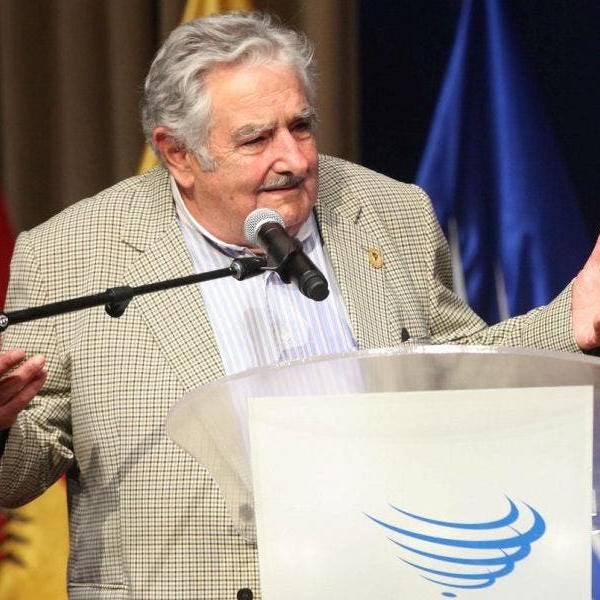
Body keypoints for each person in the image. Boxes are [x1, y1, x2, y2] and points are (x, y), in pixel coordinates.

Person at [1, 11, 599, 600]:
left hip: (382, 583)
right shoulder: (70, 255)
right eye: (256, 139)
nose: (293, 159)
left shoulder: (389, 211)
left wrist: (570, 320)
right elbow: (19, 474)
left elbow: (454, 374)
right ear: (177, 154)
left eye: (302, 126)